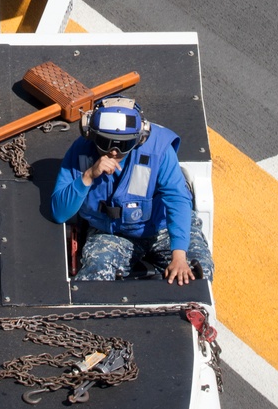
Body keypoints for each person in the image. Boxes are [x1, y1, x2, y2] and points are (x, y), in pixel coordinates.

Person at [50, 96, 215, 284]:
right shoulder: (80, 151)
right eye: (105, 142)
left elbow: (177, 199)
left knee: (198, 274)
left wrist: (178, 256)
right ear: (91, 135)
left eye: (123, 145)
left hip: (162, 229)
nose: (113, 152)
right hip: (111, 233)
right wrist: (88, 176)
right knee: (94, 280)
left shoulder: (159, 150)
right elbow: (59, 212)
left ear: (140, 138)